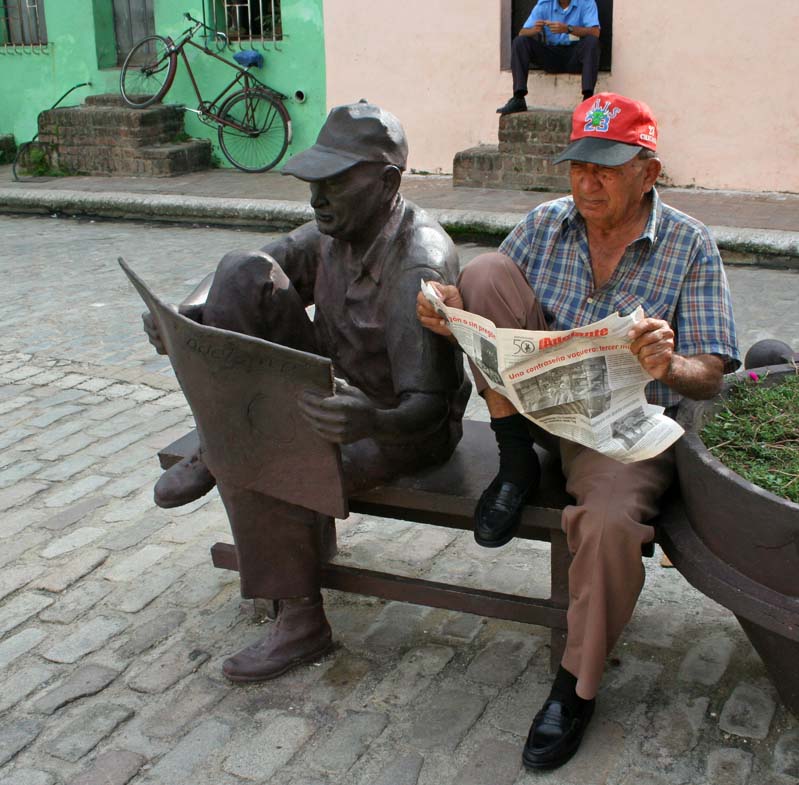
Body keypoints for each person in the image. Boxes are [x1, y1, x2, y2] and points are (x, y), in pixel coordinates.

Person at [417, 92, 740, 769]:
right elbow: (491, 303)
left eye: (608, 169)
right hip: (535, 414)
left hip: (618, 432)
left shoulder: (690, 245)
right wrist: (450, 308)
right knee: (480, 272)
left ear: (648, 172)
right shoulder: (545, 223)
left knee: (612, 524)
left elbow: (713, 371)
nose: (588, 183)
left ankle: (575, 684)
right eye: (579, 167)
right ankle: (514, 464)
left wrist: (669, 362)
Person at [143, 101, 470, 682]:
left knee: (267, 458)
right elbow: (259, 263)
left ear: (388, 183)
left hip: (399, 423)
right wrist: (186, 316)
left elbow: (429, 407)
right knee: (241, 270)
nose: (316, 199)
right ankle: (219, 440)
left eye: (334, 184)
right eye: (313, 183)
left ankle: (301, 623)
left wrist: (368, 421)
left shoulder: (418, 266)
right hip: (327, 385)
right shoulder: (337, 230)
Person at [496, 0, 602, 115]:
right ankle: (518, 97)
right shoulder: (545, 4)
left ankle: (588, 98)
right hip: (552, 55)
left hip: (575, 56)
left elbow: (595, 32)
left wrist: (568, 29)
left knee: (592, 42)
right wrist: (534, 30)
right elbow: (522, 32)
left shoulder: (586, 2)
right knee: (519, 42)